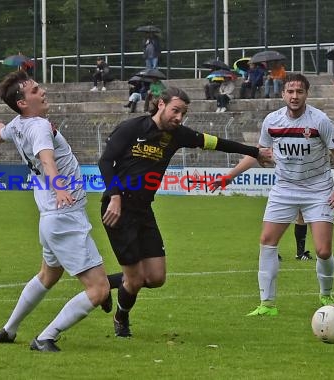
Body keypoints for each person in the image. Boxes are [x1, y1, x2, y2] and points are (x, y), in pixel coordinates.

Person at [98, 87, 272, 337]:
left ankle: (104, 284)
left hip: (144, 210)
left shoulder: (177, 135)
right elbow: (105, 161)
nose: (179, 117)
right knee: (134, 280)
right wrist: (114, 195)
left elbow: (216, 142)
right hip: (118, 208)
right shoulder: (132, 128)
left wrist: (254, 152)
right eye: (175, 110)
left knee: (156, 277)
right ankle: (121, 319)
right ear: (160, 104)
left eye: (183, 113)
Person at [0, 70, 111, 352]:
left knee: (48, 275)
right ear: (22, 103)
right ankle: (46, 337)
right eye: (34, 90)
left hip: (50, 218)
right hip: (64, 215)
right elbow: (47, 159)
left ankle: (9, 329)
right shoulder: (38, 126)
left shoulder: (19, 124)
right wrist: (59, 188)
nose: (42, 91)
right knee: (98, 290)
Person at [212, 73, 334, 316]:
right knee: (267, 241)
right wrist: (229, 176)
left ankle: (326, 295)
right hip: (284, 188)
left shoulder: (320, 121)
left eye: (299, 92)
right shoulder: (272, 121)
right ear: (283, 93)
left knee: (323, 251)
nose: (294, 96)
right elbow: (259, 153)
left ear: (307, 94)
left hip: (318, 189)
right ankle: (267, 304)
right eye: (290, 92)